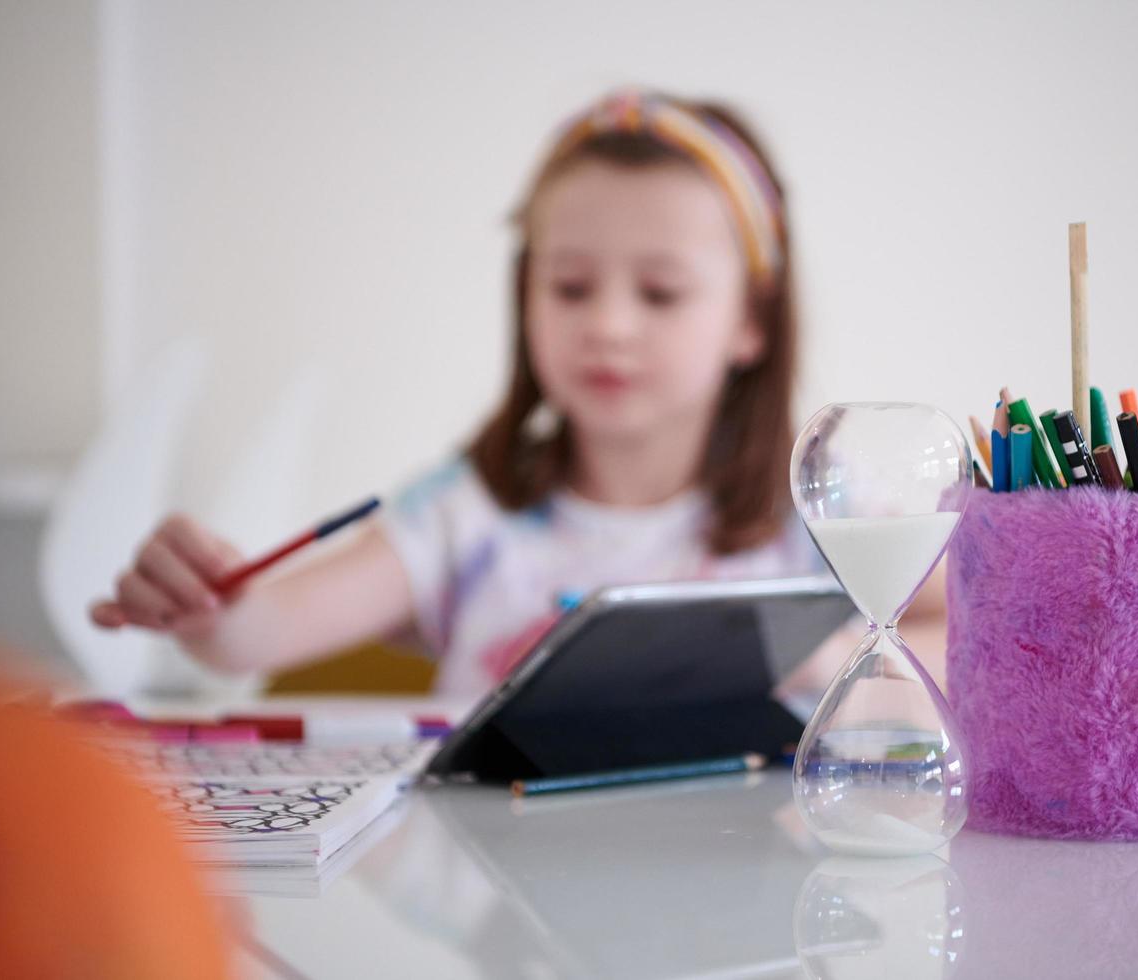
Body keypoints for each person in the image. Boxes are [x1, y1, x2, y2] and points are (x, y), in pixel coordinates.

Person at [90, 90, 824, 697]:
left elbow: (937, 631)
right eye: (569, 286)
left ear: (752, 321)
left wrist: (839, 658)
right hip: (481, 876)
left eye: (660, 293)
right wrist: (216, 611)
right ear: (524, 295)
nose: (608, 325)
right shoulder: (463, 511)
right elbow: (264, 631)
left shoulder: (817, 520)